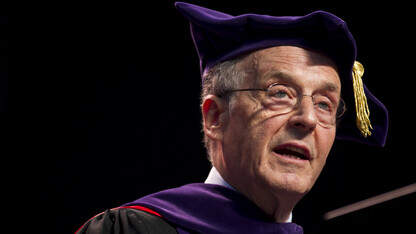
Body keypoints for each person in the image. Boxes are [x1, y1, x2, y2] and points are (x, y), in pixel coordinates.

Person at [76, 2, 388, 233]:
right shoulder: (134, 230)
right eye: (280, 93)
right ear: (215, 117)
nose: (307, 118)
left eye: (324, 104)